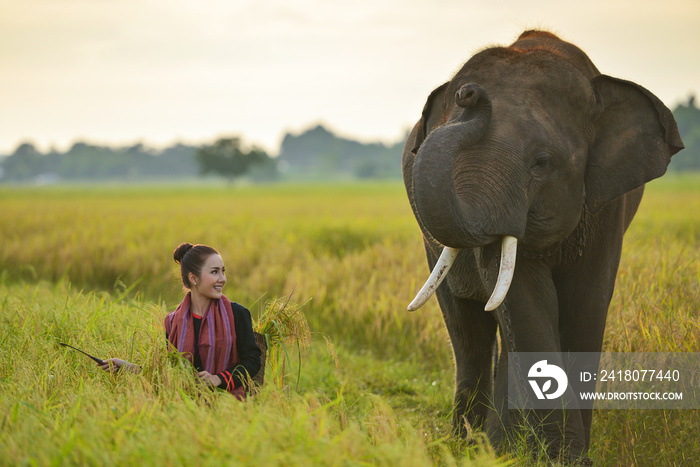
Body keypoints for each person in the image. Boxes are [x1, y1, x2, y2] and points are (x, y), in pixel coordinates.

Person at [99, 243, 262, 399]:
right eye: (215, 272)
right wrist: (126, 367)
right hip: (185, 406)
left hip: (228, 407)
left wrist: (218, 379)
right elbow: (168, 372)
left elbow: (253, 361)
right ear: (193, 278)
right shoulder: (173, 322)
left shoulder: (236, 314)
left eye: (223, 271)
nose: (222, 279)